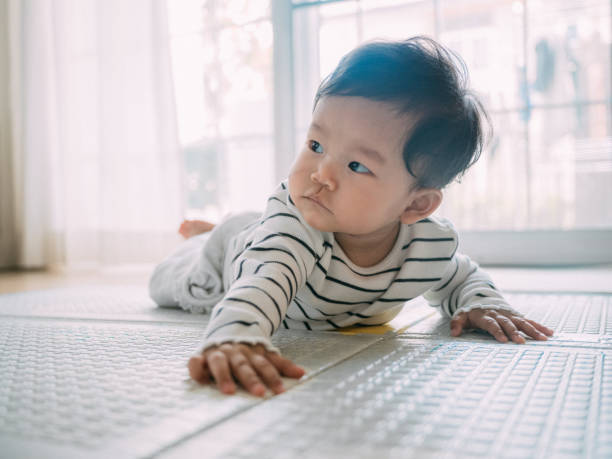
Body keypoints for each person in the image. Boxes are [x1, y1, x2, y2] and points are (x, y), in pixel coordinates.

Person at [149, 36, 554, 398]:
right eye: (316, 144)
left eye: (357, 166)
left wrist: (483, 304)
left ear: (415, 206)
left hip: (272, 232)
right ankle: (215, 235)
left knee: (261, 226)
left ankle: (236, 224)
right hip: (231, 261)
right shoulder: (295, 232)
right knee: (164, 286)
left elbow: (462, 275)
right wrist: (235, 337)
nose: (320, 174)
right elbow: (261, 284)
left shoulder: (425, 246)